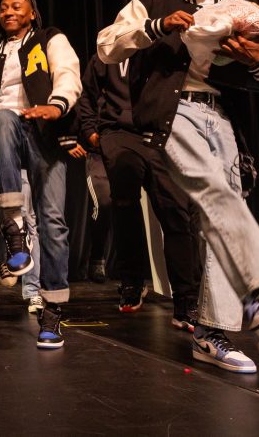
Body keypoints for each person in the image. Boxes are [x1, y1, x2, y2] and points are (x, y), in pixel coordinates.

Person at [97, 0, 259, 374]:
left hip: (222, 117)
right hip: (172, 112)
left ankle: (210, 332)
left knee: (224, 210)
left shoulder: (243, 7)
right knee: (217, 195)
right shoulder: (155, 1)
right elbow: (106, 45)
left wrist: (256, 60)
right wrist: (157, 26)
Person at [0, 0, 81, 349]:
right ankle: (14, 228)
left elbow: (68, 75)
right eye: (3, 8)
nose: (8, 11)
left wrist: (56, 107)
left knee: (54, 223)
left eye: (16, 7)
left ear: (31, 13)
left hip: (45, 133)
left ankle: (53, 311)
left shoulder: (49, 38)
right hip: (7, 133)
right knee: (2, 116)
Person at [76, 54, 202, 330]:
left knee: (176, 213)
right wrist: (91, 130)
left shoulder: (164, 45)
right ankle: (132, 281)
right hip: (120, 133)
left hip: (160, 133)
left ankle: (186, 299)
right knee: (125, 205)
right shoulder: (108, 49)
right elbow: (86, 93)